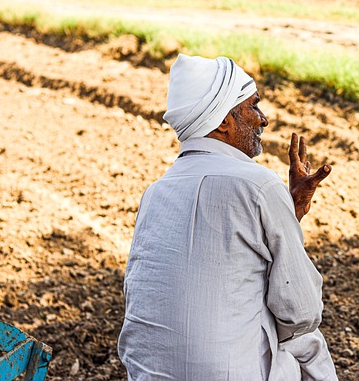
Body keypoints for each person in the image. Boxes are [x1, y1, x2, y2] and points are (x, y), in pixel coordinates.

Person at [118, 54, 338, 381]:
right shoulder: (259, 185)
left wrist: (288, 216)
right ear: (223, 122)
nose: (262, 120)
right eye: (254, 107)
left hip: (145, 374)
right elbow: (301, 311)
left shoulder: (155, 192)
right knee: (309, 342)